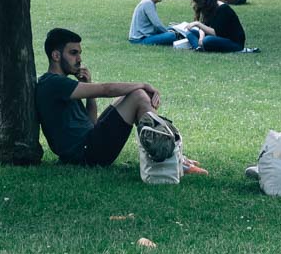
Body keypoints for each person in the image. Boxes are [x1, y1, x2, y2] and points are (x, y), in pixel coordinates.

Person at [36, 28, 205, 172]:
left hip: (88, 147)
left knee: (132, 95)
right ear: (56, 56)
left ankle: (171, 154)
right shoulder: (53, 83)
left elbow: (91, 123)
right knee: (138, 95)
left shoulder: (60, 85)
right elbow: (106, 89)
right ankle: (171, 158)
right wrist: (144, 84)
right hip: (85, 154)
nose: (79, 59)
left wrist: (87, 87)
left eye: (80, 53)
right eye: (73, 53)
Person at [176, 0, 256, 53]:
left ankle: (202, 46)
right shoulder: (211, 9)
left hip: (233, 42)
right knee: (190, 32)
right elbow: (205, 26)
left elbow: (215, 32)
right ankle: (198, 47)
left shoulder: (223, 9)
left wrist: (198, 24)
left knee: (208, 40)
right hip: (218, 38)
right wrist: (201, 38)